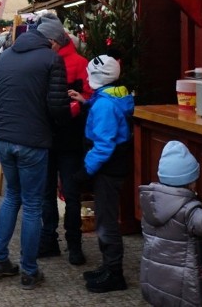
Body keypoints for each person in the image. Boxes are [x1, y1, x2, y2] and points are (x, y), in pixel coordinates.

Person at [0, 16, 70, 290]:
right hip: (33, 140)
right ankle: (29, 270)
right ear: (52, 41)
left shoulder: (6, 55)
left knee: (12, 196)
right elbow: (57, 107)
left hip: (4, 137)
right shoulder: (50, 59)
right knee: (33, 205)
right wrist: (64, 127)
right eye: (59, 45)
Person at [139, 140, 202, 307]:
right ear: (191, 181)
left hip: (156, 278)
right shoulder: (188, 211)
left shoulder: (150, 203)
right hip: (183, 282)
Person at [70, 54, 134, 293]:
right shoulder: (112, 95)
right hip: (111, 168)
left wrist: (85, 171)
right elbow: (106, 108)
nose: (86, 76)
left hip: (107, 170)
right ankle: (109, 266)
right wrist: (86, 102)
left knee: (106, 223)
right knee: (104, 219)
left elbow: (104, 144)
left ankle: (115, 273)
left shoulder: (105, 105)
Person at [39, 21, 91, 265]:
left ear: (54, 42)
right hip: (59, 137)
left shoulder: (78, 63)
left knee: (61, 193)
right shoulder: (50, 60)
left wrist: (77, 104)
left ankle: (66, 242)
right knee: (58, 193)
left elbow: (88, 97)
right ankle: (66, 244)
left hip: (60, 137)